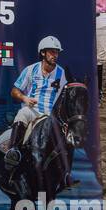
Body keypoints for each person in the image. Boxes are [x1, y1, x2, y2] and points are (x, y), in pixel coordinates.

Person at [4, 36, 67, 170]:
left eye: (56, 52)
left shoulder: (62, 73)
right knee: (23, 113)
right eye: (51, 52)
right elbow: (14, 91)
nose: (55, 55)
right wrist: (25, 99)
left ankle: (66, 174)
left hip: (51, 115)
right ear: (43, 53)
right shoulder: (30, 70)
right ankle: (13, 151)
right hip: (32, 111)